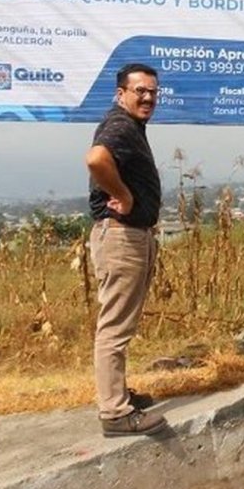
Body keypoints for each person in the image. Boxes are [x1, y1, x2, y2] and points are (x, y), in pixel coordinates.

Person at [85, 63, 167, 437]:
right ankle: (116, 414)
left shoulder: (129, 126)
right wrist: (124, 196)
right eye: (140, 91)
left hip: (129, 235)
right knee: (115, 327)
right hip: (121, 236)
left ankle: (118, 395)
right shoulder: (119, 125)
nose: (148, 97)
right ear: (121, 94)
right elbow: (96, 159)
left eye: (153, 91)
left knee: (120, 324)